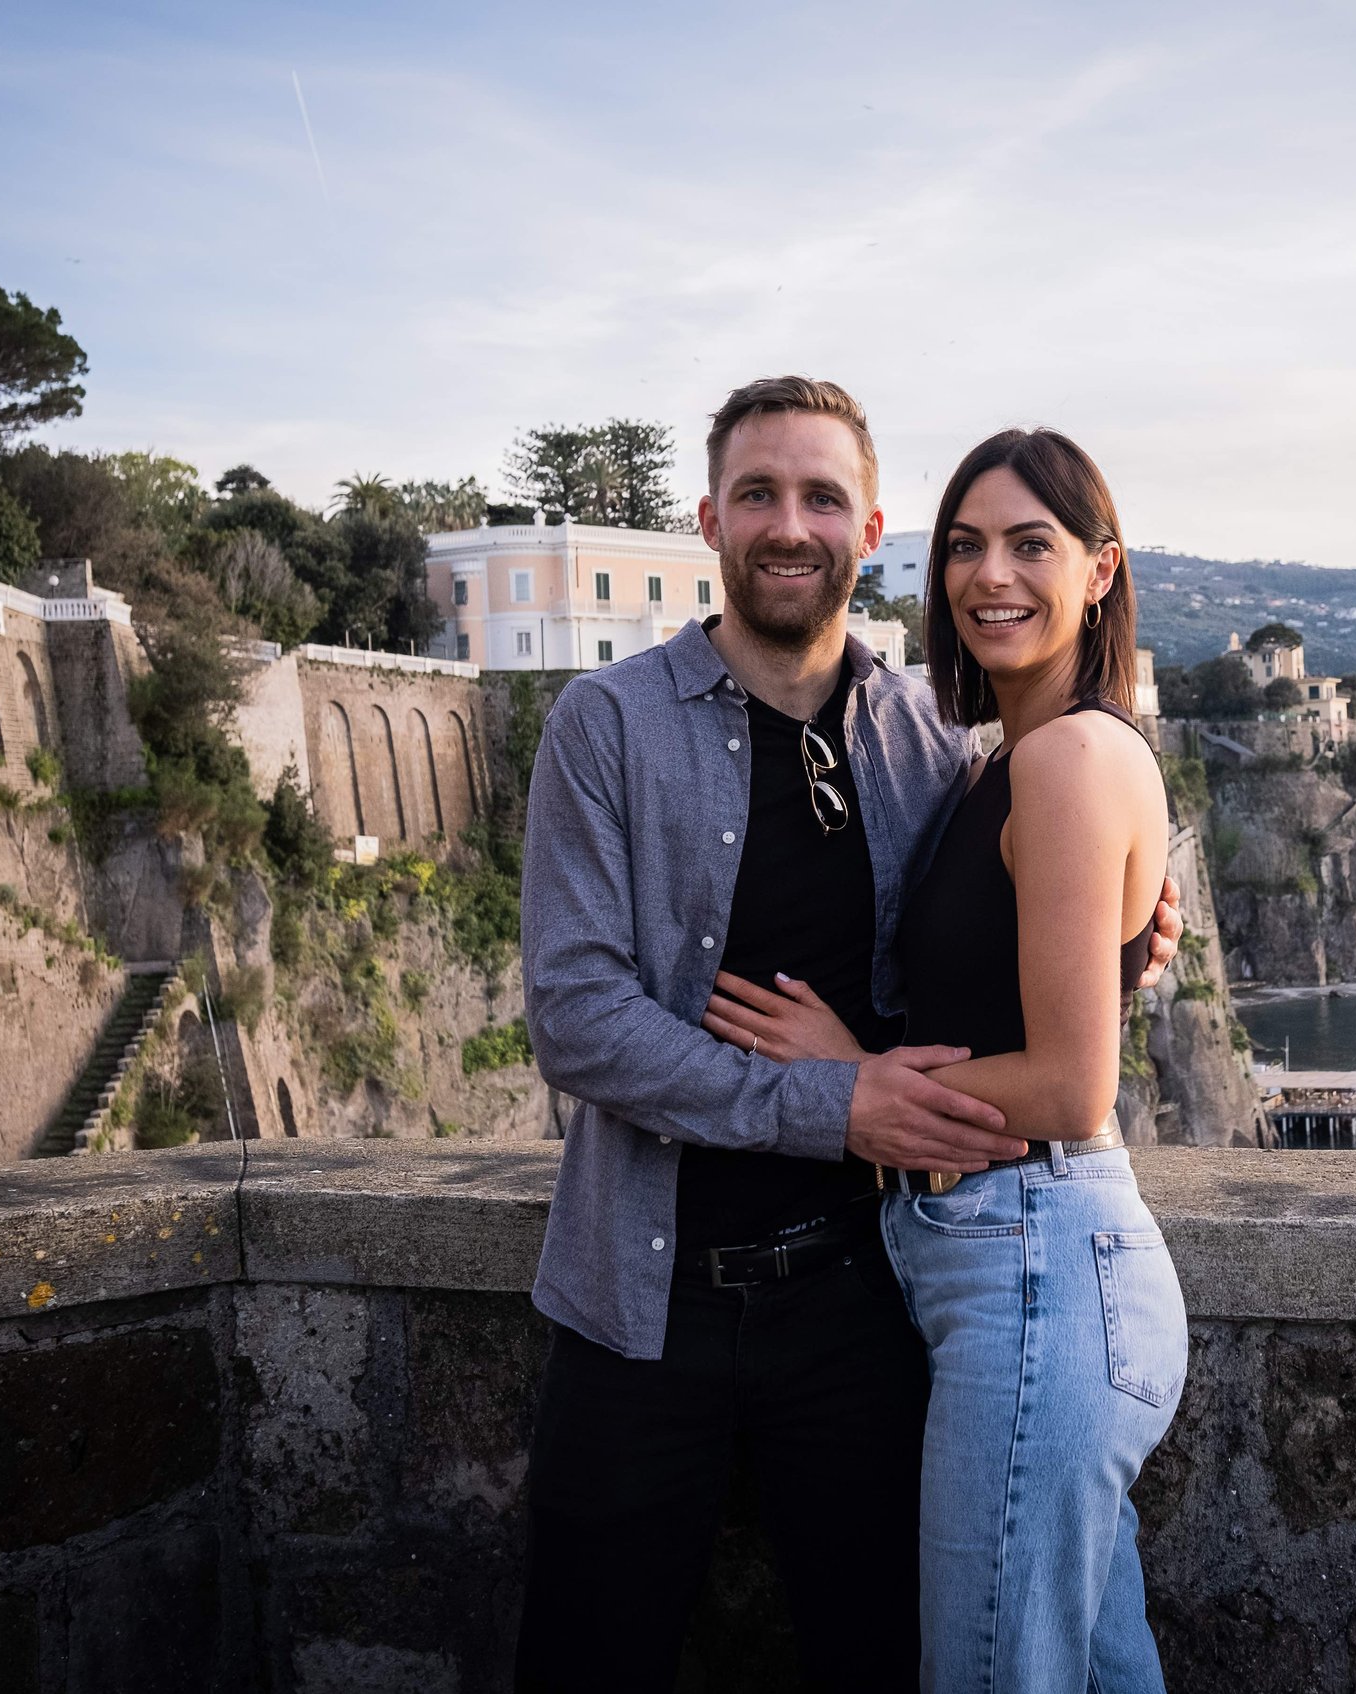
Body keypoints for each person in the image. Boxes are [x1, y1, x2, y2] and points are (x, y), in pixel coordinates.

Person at [513, 379, 1180, 1692]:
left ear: (868, 527)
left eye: (823, 496)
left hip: (865, 1305)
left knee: (889, 1656)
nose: (788, 524)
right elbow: (580, 1023)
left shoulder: (933, 735)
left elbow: (997, 986)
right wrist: (835, 1100)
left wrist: (1132, 943)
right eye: (757, 492)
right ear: (707, 517)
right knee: (587, 1655)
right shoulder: (608, 726)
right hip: (642, 1302)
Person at [701, 429, 1188, 1692]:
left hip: (1035, 1264)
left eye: (1033, 543)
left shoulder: (1071, 755)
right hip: (1026, 1267)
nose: (990, 575)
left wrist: (848, 1076)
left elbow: (1071, 1083)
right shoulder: (1007, 756)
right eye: (964, 544)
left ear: (1100, 569)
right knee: (1091, 1669)